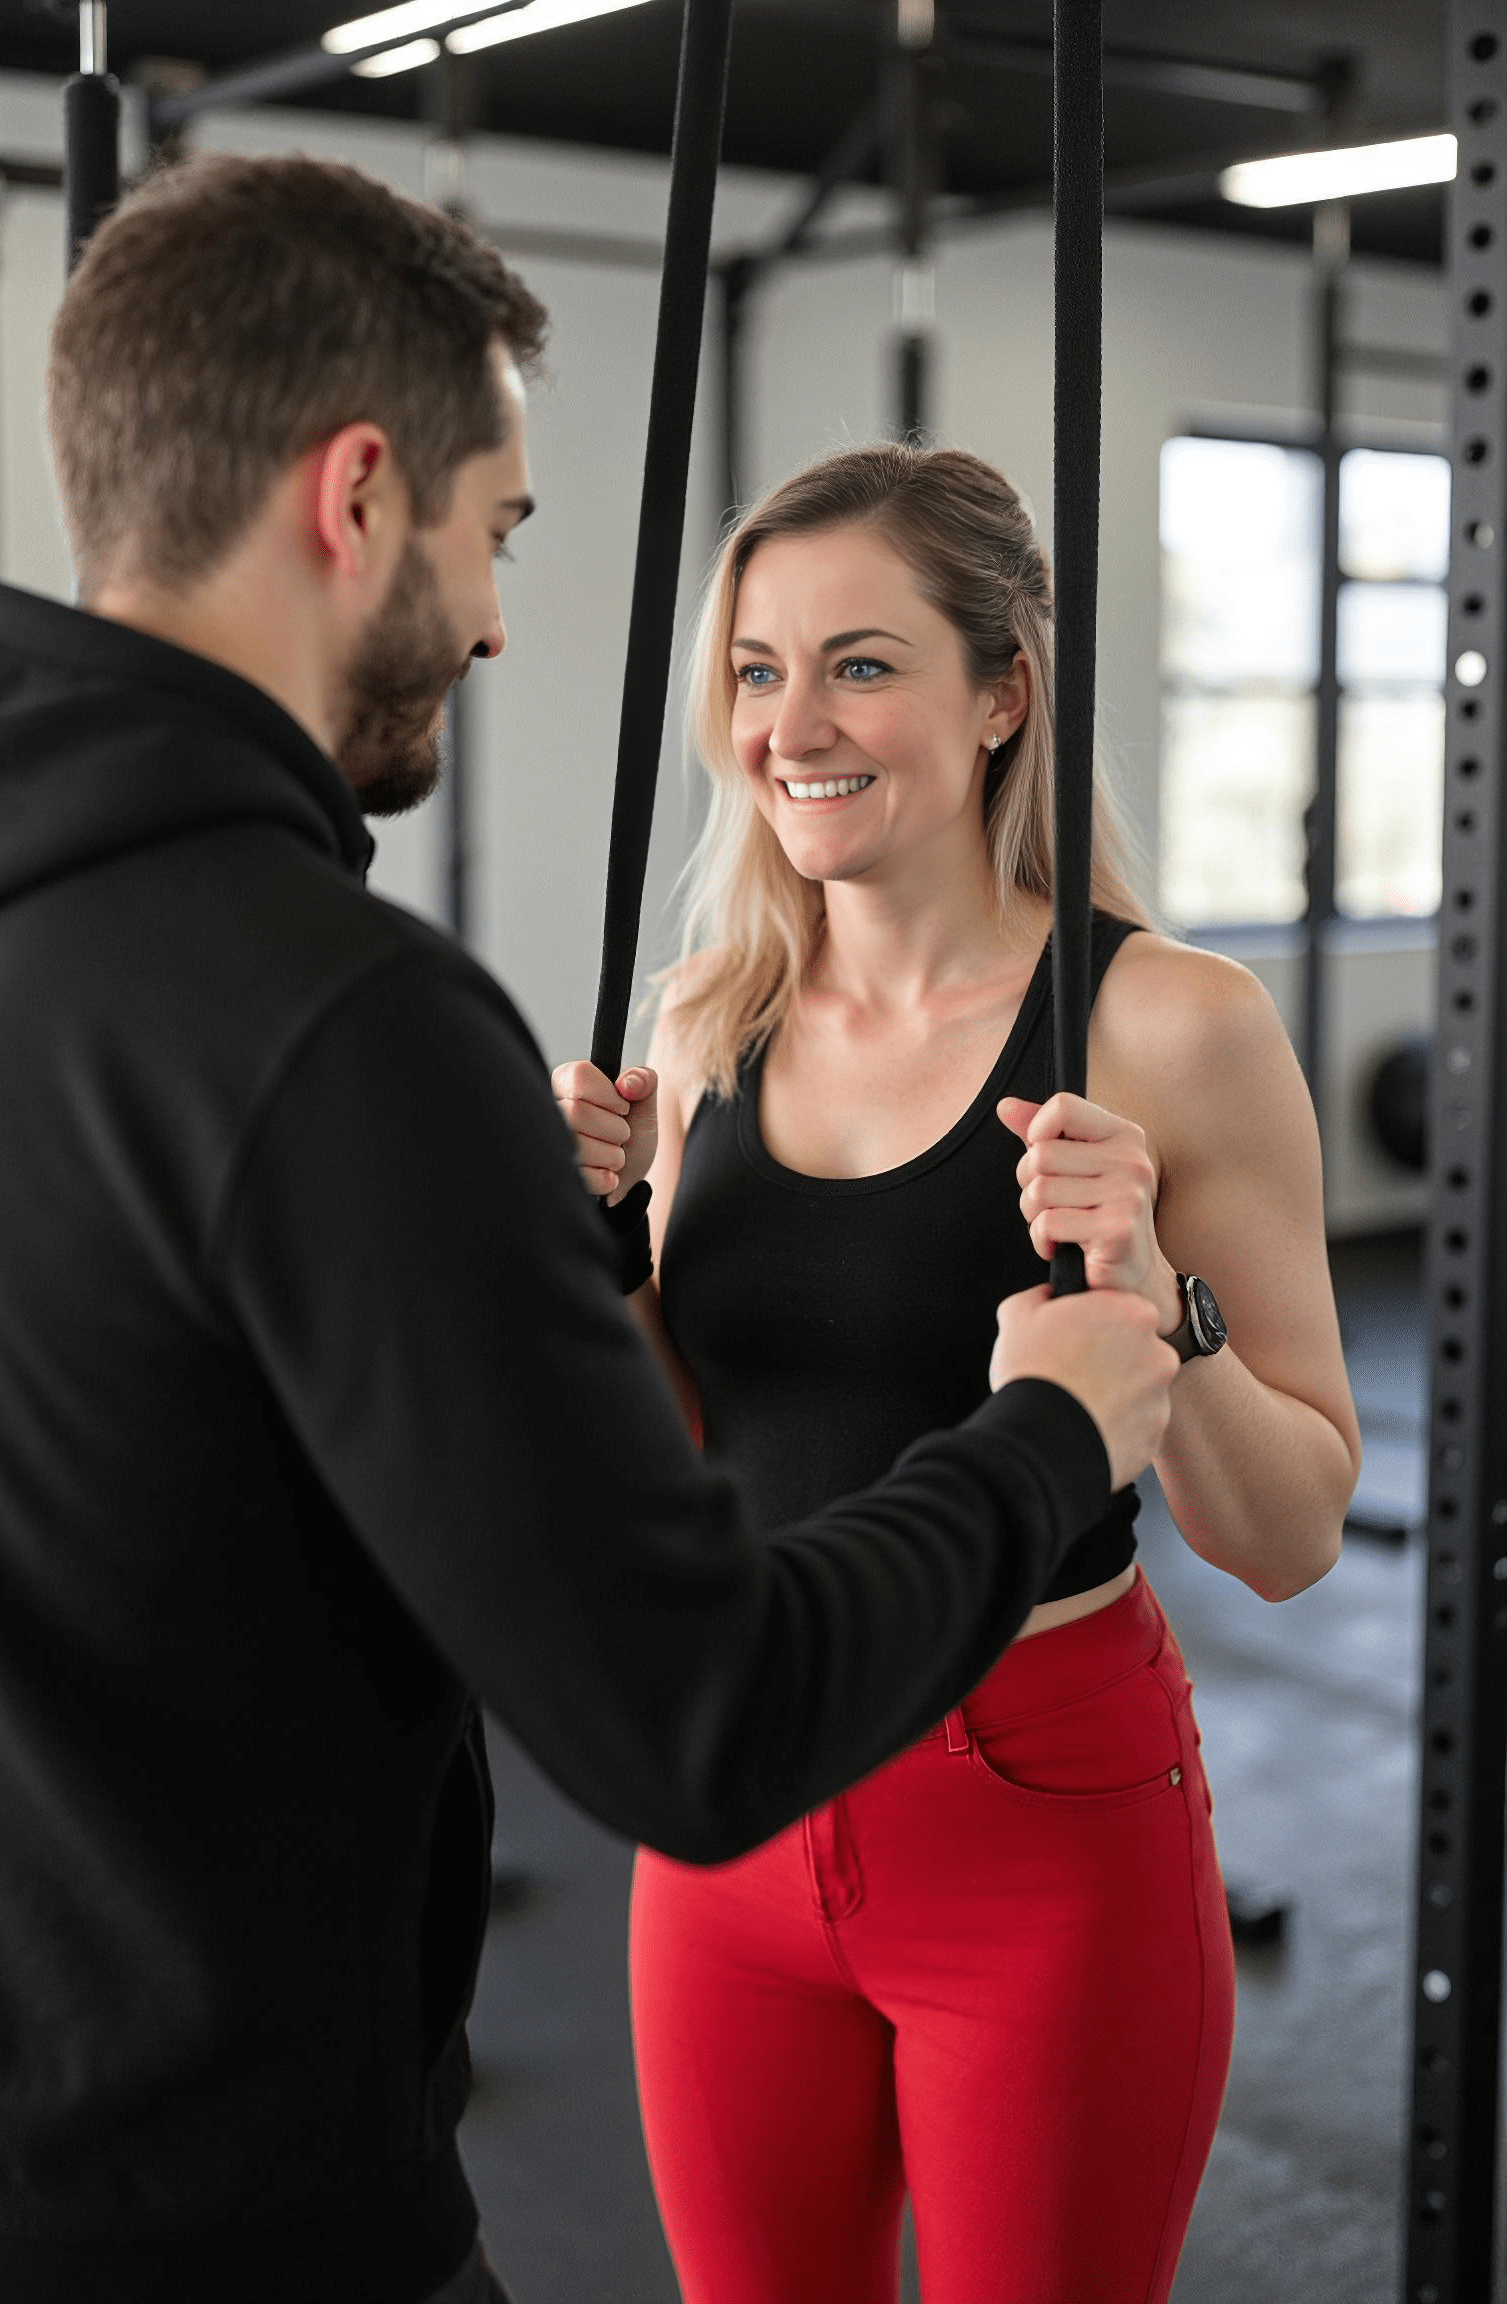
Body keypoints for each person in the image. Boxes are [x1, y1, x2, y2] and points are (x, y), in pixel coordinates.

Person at [0, 160, 1175, 2304]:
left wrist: (553, 1284)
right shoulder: (336, 1021)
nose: (495, 618)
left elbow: (92, 1462)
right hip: (214, 2225)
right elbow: (692, 1725)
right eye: (493, 531)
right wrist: (1045, 1434)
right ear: (359, 493)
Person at [553, 442, 1362, 2304]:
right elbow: (681, 1454)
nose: (792, 723)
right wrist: (586, 1261)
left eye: (860, 662)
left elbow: (1296, 1531)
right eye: (757, 669)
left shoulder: (1166, 1023)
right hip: (739, 1796)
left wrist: (1161, 1294)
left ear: (1004, 692)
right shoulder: (710, 1018)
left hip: (1038, 1820)